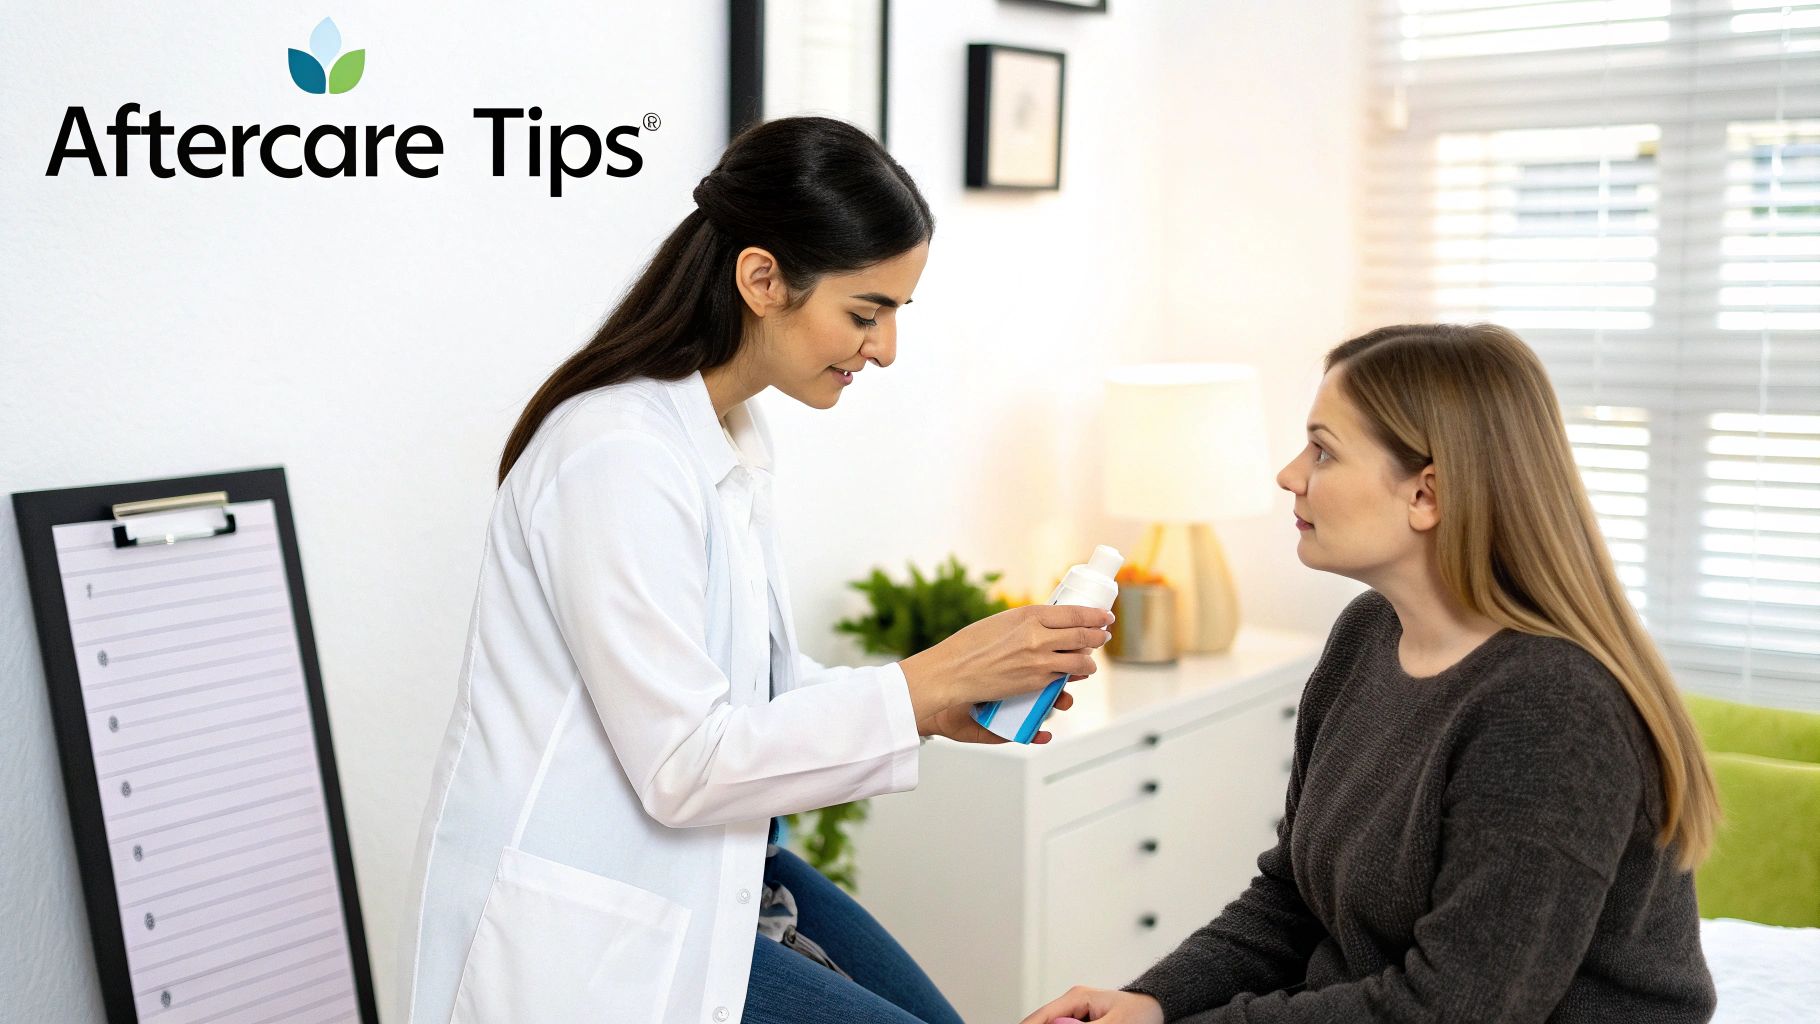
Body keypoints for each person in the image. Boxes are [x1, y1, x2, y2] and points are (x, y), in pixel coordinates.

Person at [394, 115, 1114, 1024]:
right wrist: (922, 683)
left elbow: (752, 692)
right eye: (866, 312)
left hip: (729, 871)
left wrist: (938, 702)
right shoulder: (617, 455)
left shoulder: (729, 437)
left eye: (896, 312)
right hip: (608, 924)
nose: (886, 348)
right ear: (762, 278)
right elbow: (687, 761)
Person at [1021, 323, 1721, 1024]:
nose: (1290, 474)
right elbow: (1294, 896)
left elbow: (1455, 1010)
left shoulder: (1553, 709)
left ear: (1427, 495)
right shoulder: (1368, 634)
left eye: (1323, 450)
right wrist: (1153, 1001)